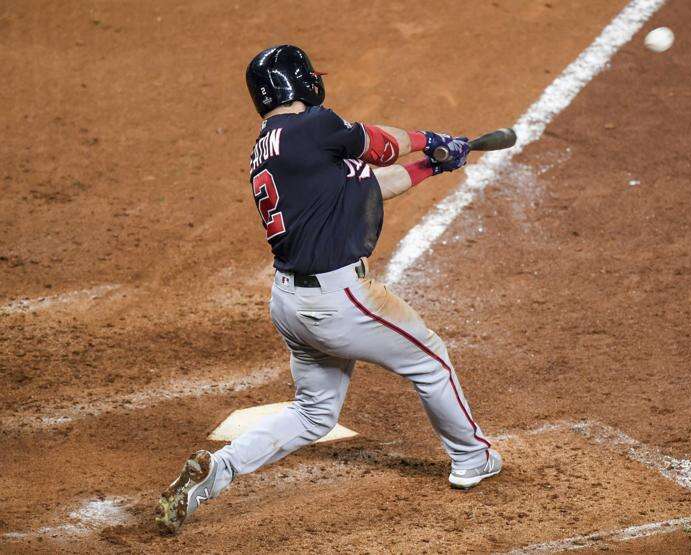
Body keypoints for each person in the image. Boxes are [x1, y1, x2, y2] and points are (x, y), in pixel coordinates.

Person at [155, 45, 501, 535]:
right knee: (430, 360)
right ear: (301, 83)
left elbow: (365, 188)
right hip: (340, 302)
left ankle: (221, 469)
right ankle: (473, 458)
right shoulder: (311, 128)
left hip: (289, 303)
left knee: (314, 413)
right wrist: (430, 138)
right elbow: (380, 146)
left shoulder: (268, 149)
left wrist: (435, 164)